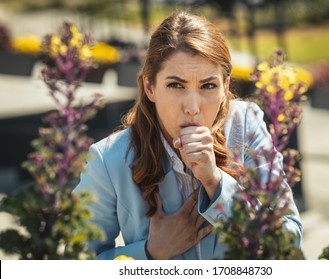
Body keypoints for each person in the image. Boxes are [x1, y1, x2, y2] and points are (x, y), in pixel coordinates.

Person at [73, 11, 302, 260]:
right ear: (150, 86)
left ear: (225, 88)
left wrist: (216, 182)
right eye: (176, 85)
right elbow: (75, 260)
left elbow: (289, 239)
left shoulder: (246, 124)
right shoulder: (108, 159)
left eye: (208, 86)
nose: (192, 106)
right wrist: (150, 254)